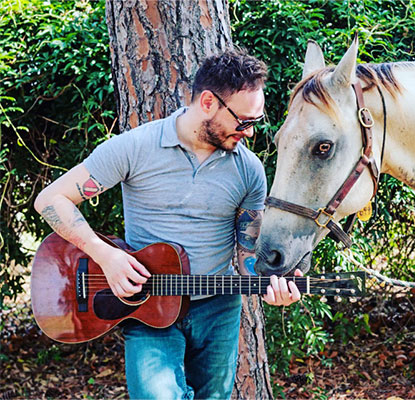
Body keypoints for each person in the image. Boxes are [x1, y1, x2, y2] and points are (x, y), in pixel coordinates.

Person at [34, 48, 302, 399]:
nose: (250, 132)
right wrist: (105, 256)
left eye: (256, 121)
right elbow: (50, 200)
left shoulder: (249, 171)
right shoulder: (135, 148)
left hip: (218, 309)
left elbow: (245, 252)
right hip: (148, 306)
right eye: (244, 121)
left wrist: (268, 286)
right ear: (208, 102)